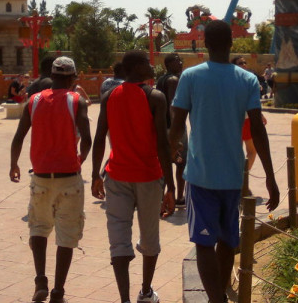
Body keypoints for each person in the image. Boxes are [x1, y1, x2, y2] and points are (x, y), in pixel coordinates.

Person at [169, 20, 280, 303]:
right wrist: (270, 176)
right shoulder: (247, 80)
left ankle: (216, 299)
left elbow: (177, 123)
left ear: (204, 44)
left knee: (203, 242)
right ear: (232, 43)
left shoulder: (191, 77)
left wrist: (170, 155)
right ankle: (219, 296)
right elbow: (258, 129)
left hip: (200, 175)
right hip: (232, 177)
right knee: (228, 240)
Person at [91, 51, 176, 303]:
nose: (152, 66)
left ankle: (124, 299)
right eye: (147, 63)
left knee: (118, 240)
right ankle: (146, 292)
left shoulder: (109, 97)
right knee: (150, 238)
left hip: (116, 176)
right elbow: (162, 144)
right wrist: (170, 186)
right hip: (149, 177)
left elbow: (99, 138)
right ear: (137, 67)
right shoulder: (155, 97)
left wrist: (96, 174)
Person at [10, 56, 92, 303]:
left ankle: (40, 281)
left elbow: (19, 136)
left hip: (42, 176)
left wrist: (13, 164)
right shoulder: (76, 101)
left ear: (52, 76)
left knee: (38, 228)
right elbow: (87, 138)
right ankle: (58, 290)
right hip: (68, 177)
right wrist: (80, 160)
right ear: (72, 78)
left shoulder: (33, 101)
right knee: (67, 235)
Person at [155, 53, 187, 206]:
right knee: (181, 163)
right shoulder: (173, 80)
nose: (181, 62)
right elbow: (173, 107)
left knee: (164, 163)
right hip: (173, 128)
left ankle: (161, 196)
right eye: (177, 61)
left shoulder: (161, 79)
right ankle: (179, 196)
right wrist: (177, 135)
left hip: (162, 127)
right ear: (168, 64)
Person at [232, 58, 268, 173]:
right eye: (240, 63)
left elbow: (255, 101)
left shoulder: (247, 79)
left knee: (251, 150)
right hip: (236, 119)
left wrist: (260, 114)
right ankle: (240, 177)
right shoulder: (249, 79)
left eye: (244, 62)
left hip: (246, 118)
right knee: (238, 150)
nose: (243, 64)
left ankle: (243, 176)